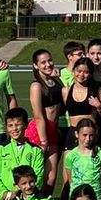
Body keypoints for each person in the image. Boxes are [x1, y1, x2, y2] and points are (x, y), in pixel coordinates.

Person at [26, 48, 66, 187]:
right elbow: (38, 116)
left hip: (53, 130)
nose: (48, 64)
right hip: (39, 132)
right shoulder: (36, 86)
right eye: (43, 62)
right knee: (34, 176)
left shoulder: (55, 81)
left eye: (49, 60)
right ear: (36, 66)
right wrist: (43, 141)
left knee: (51, 177)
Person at [63, 117, 101, 200]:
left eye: (91, 135)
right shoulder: (70, 155)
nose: (88, 139)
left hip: (96, 198)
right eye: (84, 135)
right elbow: (70, 181)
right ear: (76, 134)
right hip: (77, 199)